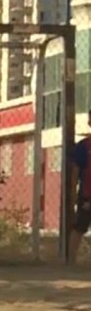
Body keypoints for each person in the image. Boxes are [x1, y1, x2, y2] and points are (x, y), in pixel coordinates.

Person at [69, 109, 91, 265]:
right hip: (87, 194)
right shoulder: (84, 146)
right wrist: (74, 193)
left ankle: (71, 260)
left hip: (86, 193)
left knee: (79, 227)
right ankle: (71, 261)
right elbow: (76, 172)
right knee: (79, 227)